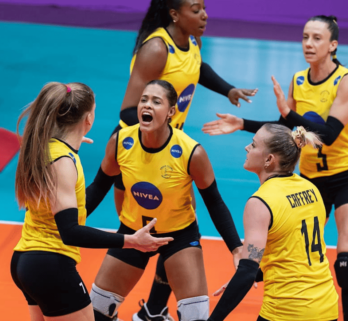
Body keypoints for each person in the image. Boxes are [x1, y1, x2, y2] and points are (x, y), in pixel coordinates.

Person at [90, 1, 257, 319]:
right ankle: (150, 307)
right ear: (175, 15)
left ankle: (153, 310)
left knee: (177, 224)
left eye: (204, 8)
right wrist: (150, 133)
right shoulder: (155, 48)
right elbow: (128, 111)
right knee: (148, 225)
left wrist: (228, 90)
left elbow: (196, 67)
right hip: (137, 156)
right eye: (196, 9)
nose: (204, 15)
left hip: (171, 148)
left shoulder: (192, 41)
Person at [203, 15, 348, 321]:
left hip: (345, 177)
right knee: (291, 245)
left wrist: (288, 113)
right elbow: (284, 132)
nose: (308, 43)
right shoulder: (298, 80)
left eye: (317, 38)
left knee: (346, 264)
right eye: (305, 36)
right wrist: (242, 124)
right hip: (309, 179)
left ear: (333, 45)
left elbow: (327, 136)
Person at [10, 82, 173, 321]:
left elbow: (81, 202)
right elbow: (71, 232)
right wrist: (131, 241)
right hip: (50, 265)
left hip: (27, 261)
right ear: (88, 119)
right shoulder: (63, 162)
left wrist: (109, 168)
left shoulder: (45, 148)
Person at [85, 80, 243, 321]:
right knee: (96, 312)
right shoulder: (120, 142)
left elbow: (215, 203)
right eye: (144, 99)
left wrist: (236, 247)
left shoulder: (191, 152)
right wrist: (67, 222)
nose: (147, 105)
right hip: (133, 233)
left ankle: (153, 311)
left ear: (171, 112)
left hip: (178, 236)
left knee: (196, 317)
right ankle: (150, 312)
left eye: (156, 101)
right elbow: (97, 188)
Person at [207, 125, 339, 321]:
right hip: (327, 307)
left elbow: (247, 270)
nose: (246, 148)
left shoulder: (260, 203)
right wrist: (248, 277)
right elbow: (294, 254)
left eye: (253, 145)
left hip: (287, 311)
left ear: (269, 160)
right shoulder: (310, 188)